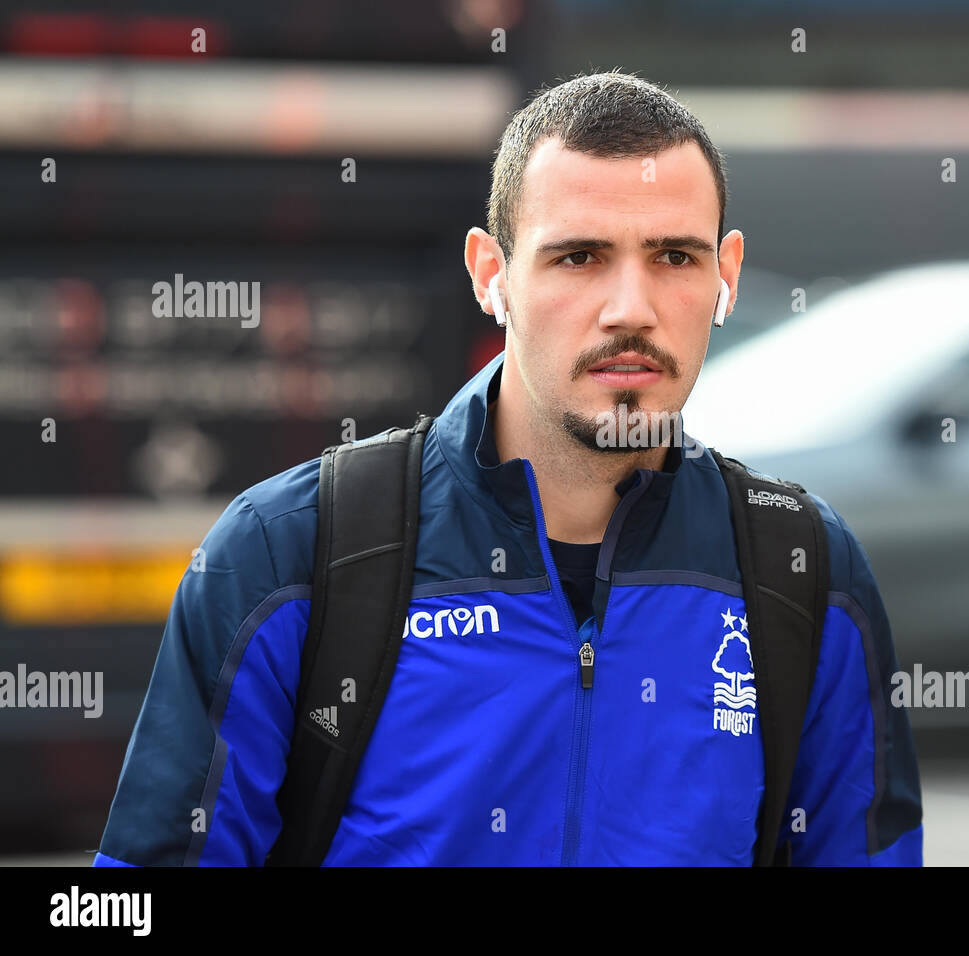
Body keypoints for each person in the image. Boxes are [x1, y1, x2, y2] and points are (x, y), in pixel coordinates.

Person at [93, 69, 923, 866]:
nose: (631, 308)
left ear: (726, 275)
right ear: (492, 276)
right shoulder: (292, 551)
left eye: (674, 257)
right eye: (579, 257)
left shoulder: (802, 570)